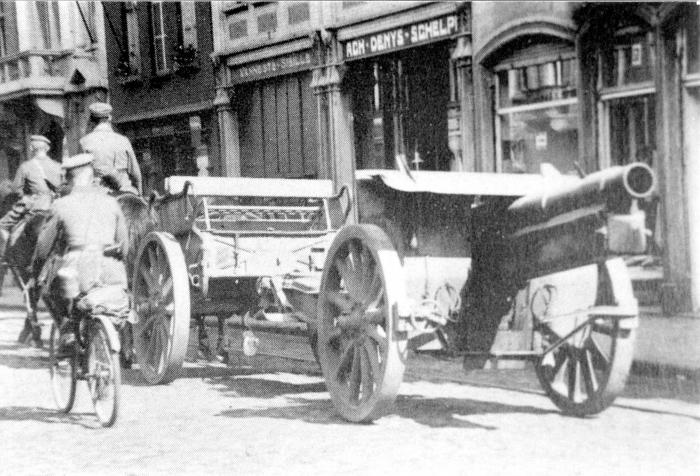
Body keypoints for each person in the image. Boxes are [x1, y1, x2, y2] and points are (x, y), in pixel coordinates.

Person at [33, 153, 130, 349]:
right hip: (112, 271)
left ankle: (68, 330)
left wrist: (37, 271)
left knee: (47, 288)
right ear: (91, 176)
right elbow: (124, 246)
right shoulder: (111, 203)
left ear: (69, 179)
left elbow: (43, 248)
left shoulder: (61, 205)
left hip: (78, 271)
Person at [0, 135, 62, 258]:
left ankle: (5, 256)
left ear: (32, 148)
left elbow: (16, 190)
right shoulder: (57, 165)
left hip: (34, 204)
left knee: (2, 225)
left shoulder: (26, 166)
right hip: (53, 205)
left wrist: (26, 195)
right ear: (47, 149)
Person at [80, 102, 142, 195]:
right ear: (109, 118)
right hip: (125, 190)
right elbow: (136, 174)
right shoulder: (123, 140)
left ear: (91, 120)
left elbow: (80, 175)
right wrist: (139, 194)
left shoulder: (84, 142)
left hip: (98, 193)